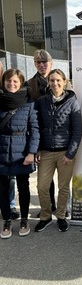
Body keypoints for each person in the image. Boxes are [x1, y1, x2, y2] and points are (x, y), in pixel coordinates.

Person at [35, 69, 82, 233]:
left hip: (65, 153)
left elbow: (77, 131)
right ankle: (46, 216)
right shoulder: (42, 101)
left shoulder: (72, 102)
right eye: (52, 80)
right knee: (42, 186)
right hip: (46, 151)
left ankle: (61, 216)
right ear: (48, 82)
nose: (55, 83)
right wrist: (38, 149)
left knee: (63, 187)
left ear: (64, 81)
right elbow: (37, 126)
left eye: (58, 80)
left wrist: (71, 153)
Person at [27, 49, 72, 216]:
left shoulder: (62, 81)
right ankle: (49, 206)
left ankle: (64, 207)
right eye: (38, 62)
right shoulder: (30, 85)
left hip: (62, 139)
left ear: (51, 64)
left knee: (64, 180)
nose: (41, 65)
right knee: (45, 181)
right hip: (42, 139)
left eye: (44, 62)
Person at [0, 69, 39, 238]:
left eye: (15, 81)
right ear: (4, 82)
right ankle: (7, 221)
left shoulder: (29, 104)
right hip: (1, 150)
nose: (11, 84)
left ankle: (24, 219)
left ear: (21, 83)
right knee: (2, 189)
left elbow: (35, 130)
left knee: (23, 188)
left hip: (22, 152)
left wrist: (31, 152)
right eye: (9, 81)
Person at [0, 62, 20, 220]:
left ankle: (10, 205)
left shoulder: (21, 98)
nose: (11, 83)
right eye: (9, 80)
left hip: (12, 147)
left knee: (10, 179)